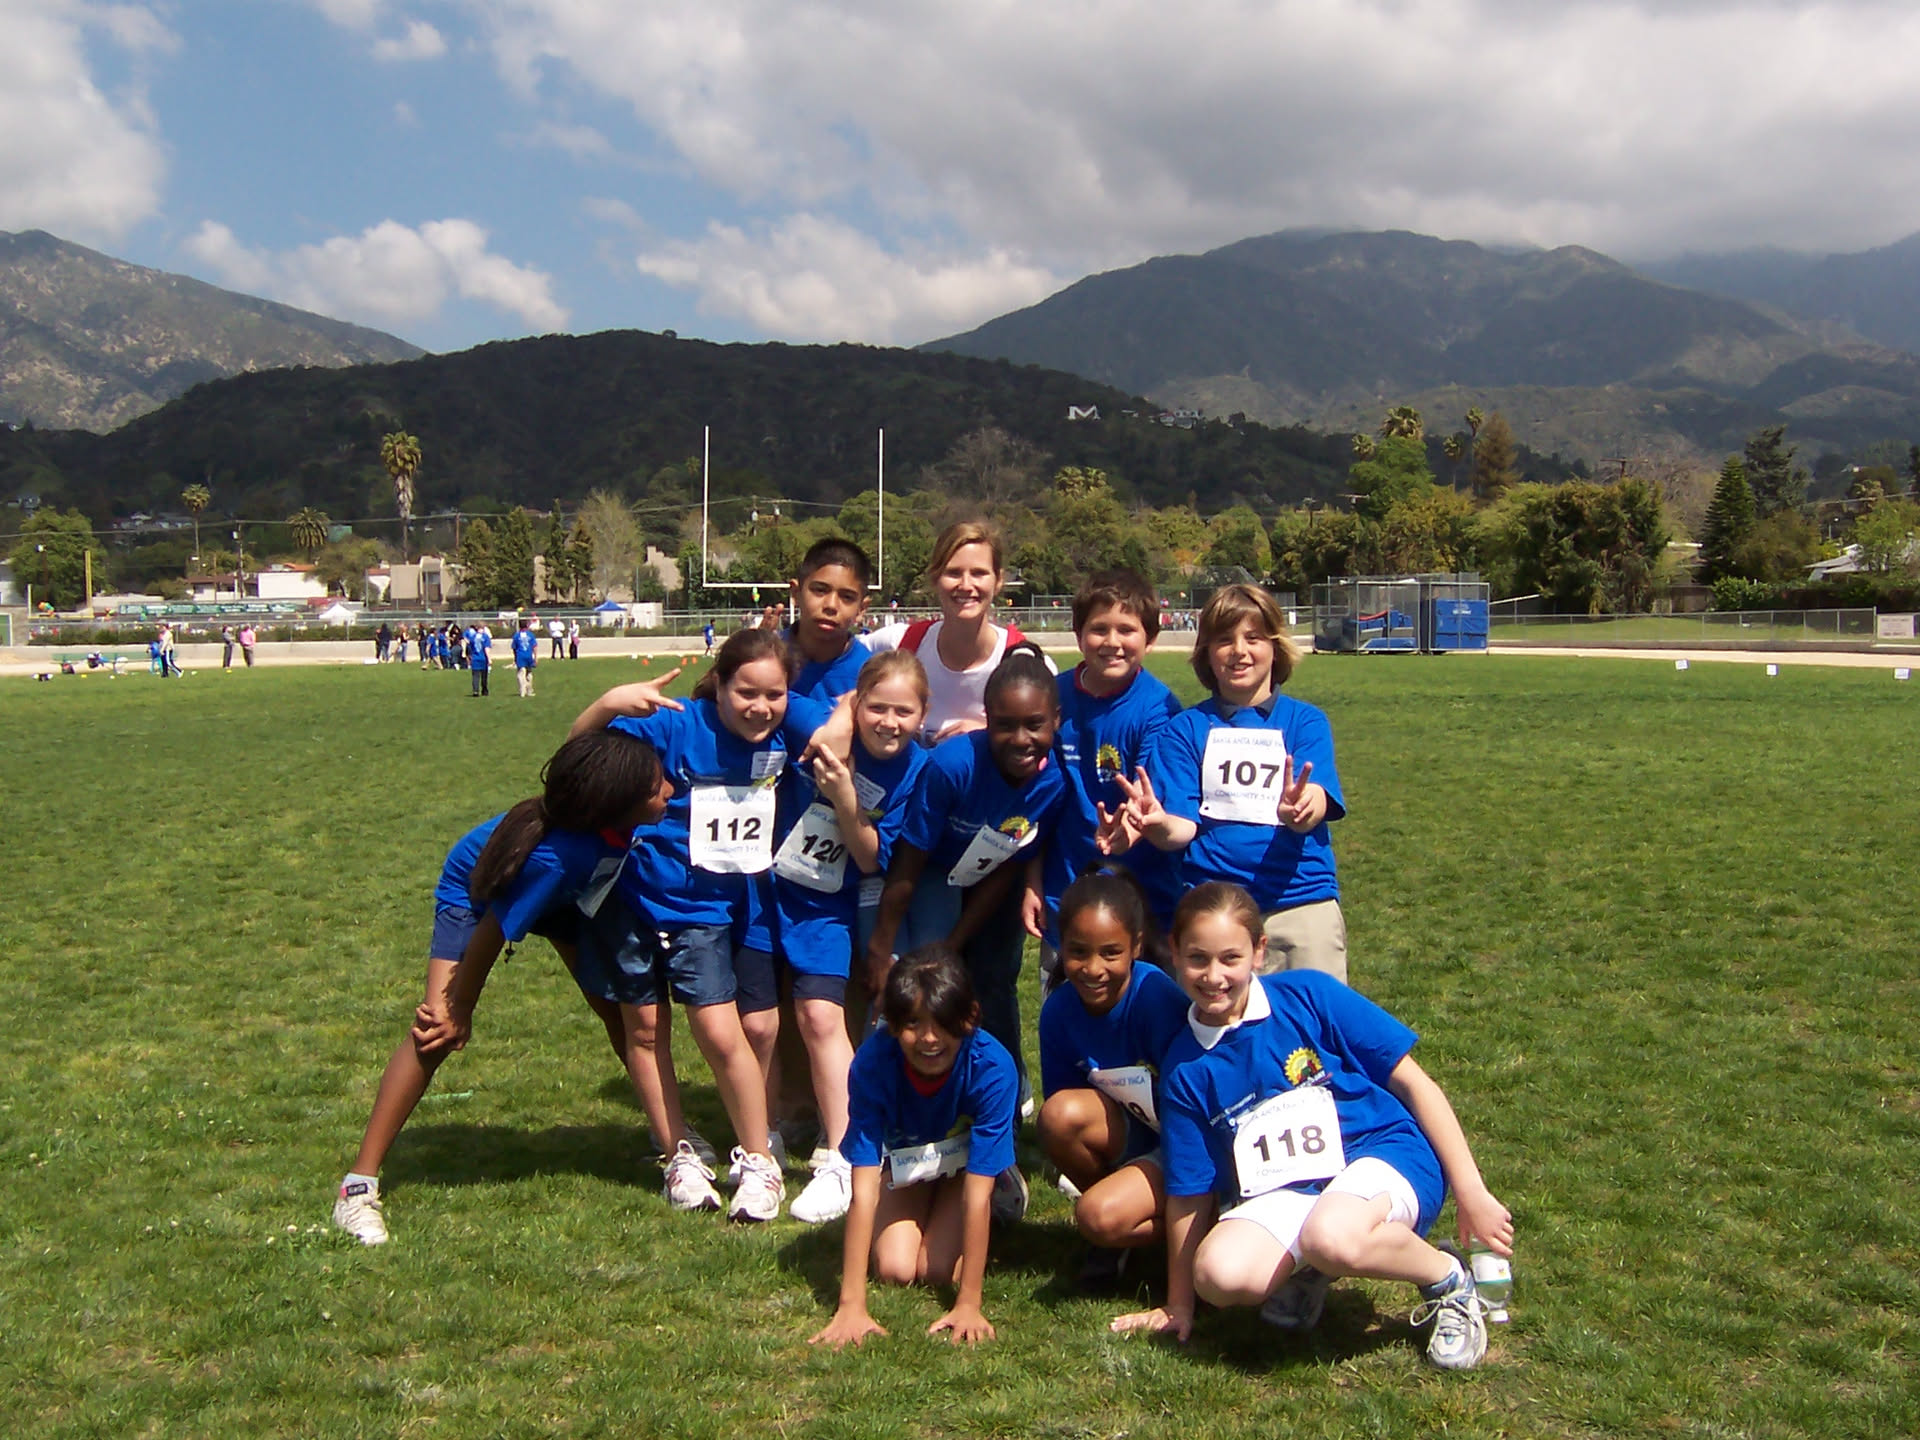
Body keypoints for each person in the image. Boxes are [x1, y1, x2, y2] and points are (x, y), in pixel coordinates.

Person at [1111, 882, 1513, 1370]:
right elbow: (1189, 1193)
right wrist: (1180, 1304)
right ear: (1174, 952)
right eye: (1198, 959)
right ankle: (1317, 1267)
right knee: (1219, 1275)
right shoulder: (1183, 1069)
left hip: (1383, 1153)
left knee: (1333, 1236)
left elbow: (1416, 1083)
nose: (1214, 976)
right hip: (1291, 1189)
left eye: (1230, 958)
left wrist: (1472, 1194)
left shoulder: (1310, 995)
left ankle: (1449, 1279)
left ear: (1259, 952)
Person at [331, 729, 672, 1246]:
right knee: (436, 1032)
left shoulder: (609, 826)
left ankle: (670, 1134)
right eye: (656, 787)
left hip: (562, 897)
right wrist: (460, 1006)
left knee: (616, 1009)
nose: (669, 790)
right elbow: (493, 929)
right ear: (615, 802)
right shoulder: (559, 856)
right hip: (478, 895)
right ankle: (358, 1186)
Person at [569, 629, 837, 1221]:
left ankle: (759, 1159)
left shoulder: (784, 726)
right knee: (644, 1031)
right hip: (637, 901)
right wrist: (609, 703)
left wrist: (822, 720)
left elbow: (835, 732)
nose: (760, 707)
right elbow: (579, 759)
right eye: (746, 692)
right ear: (718, 684)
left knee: (722, 1033)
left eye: (773, 694)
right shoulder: (676, 724)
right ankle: (679, 1156)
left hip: (710, 913)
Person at [866, 646, 1065, 1219]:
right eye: (1005, 725)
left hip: (987, 890)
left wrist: (956, 943)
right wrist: (883, 946)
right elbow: (909, 862)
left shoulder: (1053, 783)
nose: (1021, 739)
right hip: (926, 877)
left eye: (1035, 725)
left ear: (1056, 721)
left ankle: (998, 1133)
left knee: (991, 989)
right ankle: (895, 1134)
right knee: (909, 997)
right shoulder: (954, 765)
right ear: (986, 719)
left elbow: (1005, 864)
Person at [1108, 584, 1349, 980]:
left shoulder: (1305, 721)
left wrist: (1302, 808)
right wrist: (1157, 824)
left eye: (1253, 638)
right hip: (1215, 912)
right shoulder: (1185, 729)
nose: (1239, 651)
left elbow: (1317, 799)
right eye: (1224, 640)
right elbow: (1181, 827)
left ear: (1275, 647)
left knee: (1312, 1018)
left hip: (1300, 905)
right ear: (1206, 652)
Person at [772, 650, 932, 1223]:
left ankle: (843, 1158)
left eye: (904, 712)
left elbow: (870, 859)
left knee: (820, 1016)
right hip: (762, 888)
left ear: (923, 715)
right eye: (876, 708)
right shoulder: (818, 719)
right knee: (754, 1019)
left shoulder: (917, 771)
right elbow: (754, 693)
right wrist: (835, 722)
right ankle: (761, 1138)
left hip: (828, 902)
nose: (889, 722)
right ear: (857, 704)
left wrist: (843, 795)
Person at [809, 945, 1019, 1350]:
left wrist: (968, 1304)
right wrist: (851, 1305)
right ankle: (929, 1205)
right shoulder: (872, 1065)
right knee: (896, 1269)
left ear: (970, 1017)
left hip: (968, 1171)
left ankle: (1006, 1185)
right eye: (912, 1023)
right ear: (890, 1023)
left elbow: (976, 1196)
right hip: (910, 1166)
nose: (928, 1038)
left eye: (942, 1022)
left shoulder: (993, 1068)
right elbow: (863, 1190)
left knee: (937, 1269)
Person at [1026, 570, 1183, 986]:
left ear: (1150, 638)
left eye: (1126, 630)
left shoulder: (1159, 708)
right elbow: (1035, 801)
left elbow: (1150, 794)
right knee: (1065, 1014)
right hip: (1065, 897)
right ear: (1078, 634)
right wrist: (1032, 880)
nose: (1112, 642)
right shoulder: (1052, 696)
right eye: (1099, 629)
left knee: (1147, 1016)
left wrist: (1130, 828)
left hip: (1144, 904)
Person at [1036, 870, 1189, 1282]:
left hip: (1184, 1140)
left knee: (1099, 1218)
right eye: (1078, 952)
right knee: (1058, 1116)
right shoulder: (1058, 1011)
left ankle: (1202, 1222)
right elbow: (1062, 1111)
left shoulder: (1158, 999)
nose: (1093, 968)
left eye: (1110, 952)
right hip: (1133, 1133)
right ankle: (1124, 1221)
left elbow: (1193, 1111)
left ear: (1136, 946)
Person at [512, 618, 538, 698]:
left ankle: (522, 691)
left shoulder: (516, 636)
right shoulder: (530, 635)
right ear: (527, 625)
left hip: (520, 656)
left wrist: (515, 658)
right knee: (529, 673)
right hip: (528, 656)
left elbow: (514, 648)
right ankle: (529, 691)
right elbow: (534, 646)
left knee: (521, 674)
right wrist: (536, 657)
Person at [468, 622, 492, 697]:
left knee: (475, 676)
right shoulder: (485, 637)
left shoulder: (473, 637)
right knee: (484, 676)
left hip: (475, 658)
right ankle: (484, 690)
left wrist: (470, 658)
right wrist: (489, 658)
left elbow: (470, 648)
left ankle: (475, 690)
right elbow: (486, 648)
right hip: (483, 658)